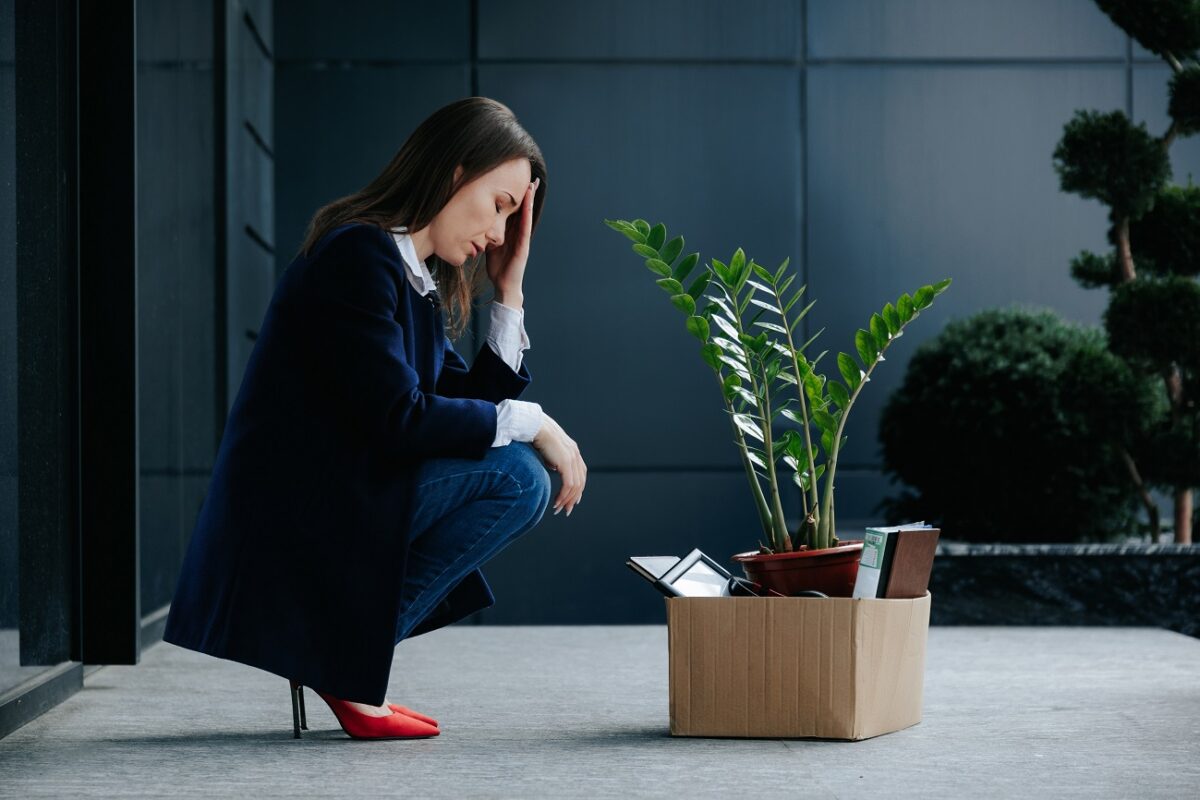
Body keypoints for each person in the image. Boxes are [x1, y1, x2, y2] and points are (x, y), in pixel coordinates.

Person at [162, 97, 587, 741]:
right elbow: (403, 419)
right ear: (453, 171)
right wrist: (536, 422)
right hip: (294, 529)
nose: (500, 235)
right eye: (500, 205)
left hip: (339, 507)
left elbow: (461, 401)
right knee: (519, 477)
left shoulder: (405, 273)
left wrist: (510, 292)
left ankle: (344, 661)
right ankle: (342, 663)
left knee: (517, 474)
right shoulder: (358, 257)